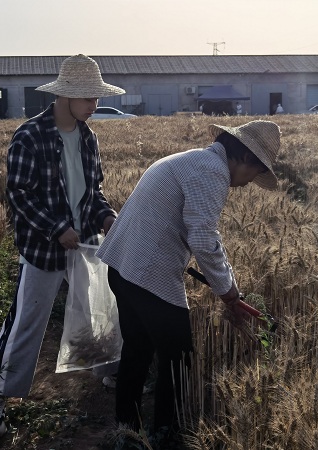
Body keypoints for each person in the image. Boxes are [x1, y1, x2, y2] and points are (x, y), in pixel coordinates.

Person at [95, 120, 281, 442]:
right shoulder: (213, 171)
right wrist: (229, 292)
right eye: (256, 173)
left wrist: (227, 288)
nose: (250, 182)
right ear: (246, 158)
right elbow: (203, 238)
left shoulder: (192, 159)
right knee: (179, 358)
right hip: (148, 274)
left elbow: (193, 232)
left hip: (123, 266)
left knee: (138, 349)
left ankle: (127, 430)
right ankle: (165, 435)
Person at [0, 54, 125, 438]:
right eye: (89, 98)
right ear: (66, 96)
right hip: (43, 250)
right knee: (26, 324)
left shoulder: (88, 138)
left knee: (95, 312)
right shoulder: (30, 136)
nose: (95, 105)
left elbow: (93, 191)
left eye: (96, 98)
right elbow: (19, 194)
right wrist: (57, 228)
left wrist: (107, 218)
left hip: (84, 245)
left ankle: (109, 373)